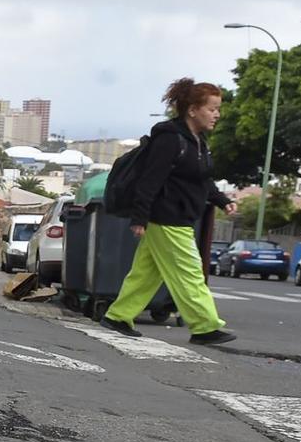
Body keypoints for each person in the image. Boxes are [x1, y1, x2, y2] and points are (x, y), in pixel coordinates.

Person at [101, 78, 238, 345]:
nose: (217, 115)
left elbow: (202, 179)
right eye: (212, 109)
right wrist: (139, 217)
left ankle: (118, 316)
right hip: (167, 217)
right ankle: (205, 326)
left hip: (177, 217)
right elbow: (150, 180)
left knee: (146, 272)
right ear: (192, 110)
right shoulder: (170, 140)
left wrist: (222, 200)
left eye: (218, 109)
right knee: (190, 273)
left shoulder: (197, 141)